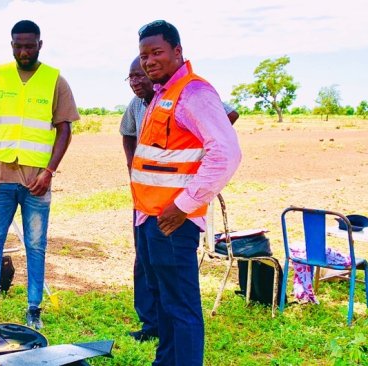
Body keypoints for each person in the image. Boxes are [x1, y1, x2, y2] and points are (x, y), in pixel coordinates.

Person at [132, 20, 241, 365]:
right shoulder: (162, 93)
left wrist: (183, 206)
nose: (149, 61)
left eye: (156, 52)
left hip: (172, 221)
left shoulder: (194, 93)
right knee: (164, 303)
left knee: (181, 307)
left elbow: (226, 153)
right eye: (143, 55)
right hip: (150, 217)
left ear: (178, 52)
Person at [0, 20, 79, 330]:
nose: (24, 51)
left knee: (35, 246)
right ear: (12, 44)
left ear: (40, 44)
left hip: (36, 183)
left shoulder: (55, 80)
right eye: (18, 45)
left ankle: (34, 309)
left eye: (30, 45)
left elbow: (65, 129)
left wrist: (49, 172)